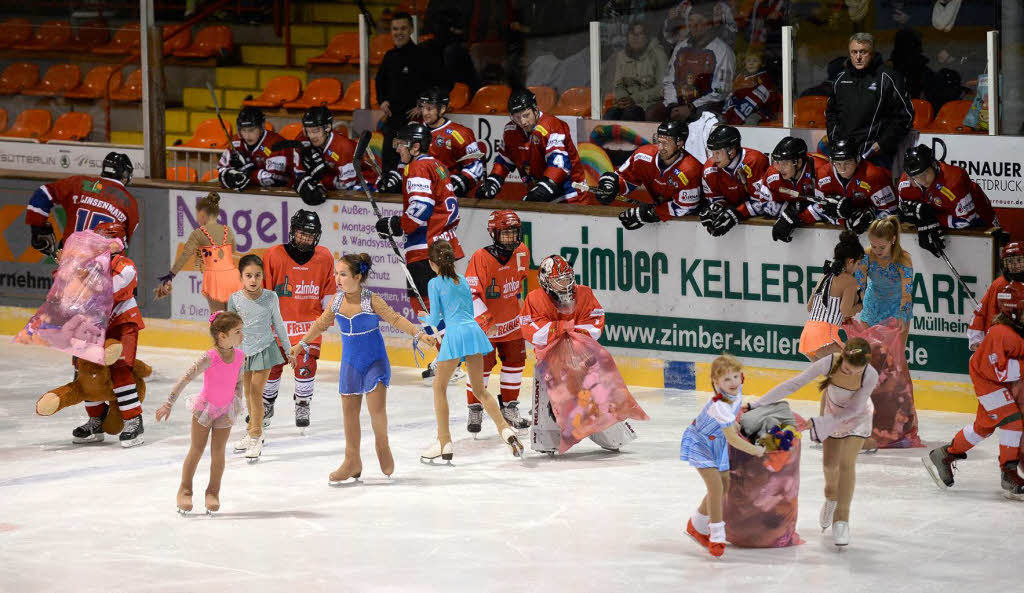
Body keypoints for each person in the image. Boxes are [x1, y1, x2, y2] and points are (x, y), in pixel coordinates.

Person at [290, 253, 436, 483]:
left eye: (344, 274)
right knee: (349, 415)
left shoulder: (371, 299)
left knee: (376, 412)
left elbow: (396, 319)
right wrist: (301, 344)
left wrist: (419, 333)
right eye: (337, 274)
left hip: (374, 362)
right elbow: (320, 324)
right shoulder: (336, 301)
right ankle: (352, 461)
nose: (338, 278)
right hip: (350, 365)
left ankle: (382, 445)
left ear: (358, 277)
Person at [747, 339, 878, 547]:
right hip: (833, 414)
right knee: (829, 466)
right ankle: (831, 498)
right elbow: (794, 383)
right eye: (847, 369)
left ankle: (842, 519)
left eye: (856, 371)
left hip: (857, 419)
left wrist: (817, 423)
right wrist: (757, 403)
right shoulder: (829, 362)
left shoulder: (870, 375)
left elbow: (853, 410)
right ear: (842, 358)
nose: (851, 373)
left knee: (846, 464)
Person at [519, 254, 639, 454]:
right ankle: (549, 436)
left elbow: (595, 327)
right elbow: (533, 333)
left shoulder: (584, 293)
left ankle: (607, 430)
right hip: (550, 364)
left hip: (583, 362)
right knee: (547, 443)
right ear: (546, 282)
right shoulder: (535, 299)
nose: (565, 285)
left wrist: (561, 329)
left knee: (613, 437)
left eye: (567, 279)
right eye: (559, 281)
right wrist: (566, 327)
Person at [419, 240, 524, 462]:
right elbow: (465, 310)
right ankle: (505, 430)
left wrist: (424, 319)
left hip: (456, 335)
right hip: (475, 333)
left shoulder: (434, 283)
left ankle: (443, 441)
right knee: (480, 390)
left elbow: (437, 318)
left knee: (439, 387)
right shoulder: (464, 282)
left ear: (431, 263)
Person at [374, 122, 464, 381]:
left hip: (426, 246)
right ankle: (451, 357)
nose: (398, 149)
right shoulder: (435, 164)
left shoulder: (419, 167)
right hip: (441, 244)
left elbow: (421, 208)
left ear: (415, 146)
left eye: (402, 144)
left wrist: (396, 225)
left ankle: (451, 359)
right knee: (437, 306)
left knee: (423, 304)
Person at [923, 280, 1024, 500]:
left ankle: (945, 455)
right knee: (1013, 422)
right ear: (1014, 309)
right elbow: (999, 372)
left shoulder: (1014, 329)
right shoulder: (1001, 334)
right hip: (988, 381)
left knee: (984, 427)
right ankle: (1008, 473)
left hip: (997, 380)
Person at [156, 311, 245, 514]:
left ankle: (213, 492)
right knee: (196, 450)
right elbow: (186, 378)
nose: (242, 335)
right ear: (222, 335)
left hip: (225, 410)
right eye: (238, 332)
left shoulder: (240, 356)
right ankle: (185, 490)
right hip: (204, 409)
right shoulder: (210, 356)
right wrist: (168, 403)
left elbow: (239, 382)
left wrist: (236, 403)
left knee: (218, 453)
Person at [70, 222, 148, 448]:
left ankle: (133, 420)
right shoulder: (89, 265)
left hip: (123, 322)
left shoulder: (125, 265)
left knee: (120, 368)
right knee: (84, 368)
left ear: (117, 243)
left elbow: (112, 289)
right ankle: (96, 418)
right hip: (94, 321)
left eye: (104, 241)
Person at [680, 354, 765, 558]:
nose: (734, 382)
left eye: (736, 376)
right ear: (716, 382)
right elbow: (734, 440)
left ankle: (696, 524)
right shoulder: (719, 405)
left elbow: (731, 421)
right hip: (700, 442)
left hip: (716, 441)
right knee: (716, 487)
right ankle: (717, 534)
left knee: (725, 485)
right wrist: (756, 450)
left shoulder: (736, 391)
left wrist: (734, 424)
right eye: (727, 379)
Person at [261, 210, 336, 431]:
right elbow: (266, 289)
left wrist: (327, 316)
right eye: (302, 233)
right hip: (278, 325)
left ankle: (303, 402)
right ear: (293, 232)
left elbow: (328, 292)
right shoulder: (273, 255)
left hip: (308, 327)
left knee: (305, 365)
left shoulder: (324, 257)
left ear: (317, 236)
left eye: (310, 235)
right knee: (271, 367)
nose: (305, 238)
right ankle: (266, 404)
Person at [464, 209, 531, 433]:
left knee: (515, 363)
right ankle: (475, 408)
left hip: (512, 323)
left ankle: (510, 407)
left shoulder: (522, 251)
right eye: (506, 233)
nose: (512, 238)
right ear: (494, 233)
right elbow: (471, 294)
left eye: (515, 232)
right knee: (480, 369)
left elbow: (519, 285)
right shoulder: (480, 257)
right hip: (485, 328)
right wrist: (485, 319)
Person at [227, 254, 294, 462]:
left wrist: (289, 349)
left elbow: (279, 324)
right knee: (248, 393)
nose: (253, 280)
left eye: (257, 275)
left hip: (265, 350)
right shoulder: (235, 299)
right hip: (244, 353)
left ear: (263, 276)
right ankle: (251, 430)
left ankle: (257, 435)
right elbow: (230, 327)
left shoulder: (270, 297)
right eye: (248, 275)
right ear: (241, 277)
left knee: (256, 393)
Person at [476, 88, 591, 204]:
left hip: (570, 194)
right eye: (516, 117)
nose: (523, 122)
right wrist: (493, 180)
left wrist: (545, 187)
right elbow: (504, 161)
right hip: (541, 193)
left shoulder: (552, 125)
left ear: (536, 109)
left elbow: (559, 163)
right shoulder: (510, 131)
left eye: (526, 115)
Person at [375, 11, 453, 173]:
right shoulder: (389, 56)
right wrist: (382, 101)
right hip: (393, 121)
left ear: (411, 30)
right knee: (389, 167)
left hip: (417, 123)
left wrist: (423, 104)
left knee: (413, 167)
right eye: (395, 29)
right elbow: (380, 82)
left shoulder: (423, 55)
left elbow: (444, 83)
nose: (399, 33)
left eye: (403, 28)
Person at [825, 32, 914, 170]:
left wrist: (883, 144)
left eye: (863, 52)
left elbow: (905, 116)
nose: (858, 57)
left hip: (876, 156)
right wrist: (835, 142)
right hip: (844, 156)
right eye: (854, 52)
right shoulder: (840, 79)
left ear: (872, 53)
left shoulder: (888, 77)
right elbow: (831, 114)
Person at [378, 86, 486, 198]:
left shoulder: (461, 134)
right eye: (422, 108)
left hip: (448, 197)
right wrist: (396, 178)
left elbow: (475, 166)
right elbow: (405, 163)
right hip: (418, 193)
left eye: (429, 109)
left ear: (442, 109)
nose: (425, 113)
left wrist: (460, 181)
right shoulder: (413, 129)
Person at [25, 152, 138, 259]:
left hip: (69, 261)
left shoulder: (79, 183)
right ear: (126, 175)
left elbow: (43, 194)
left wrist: (38, 229)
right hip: (101, 268)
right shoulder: (129, 202)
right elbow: (122, 244)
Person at [592, 120, 701, 231]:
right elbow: (626, 179)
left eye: (666, 143)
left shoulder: (690, 170)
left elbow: (684, 207)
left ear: (679, 143)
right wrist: (613, 187)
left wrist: (650, 213)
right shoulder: (643, 156)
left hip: (691, 225)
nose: (660, 147)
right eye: (659, 141)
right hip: (662, 218)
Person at [898, 144, 1000, 257]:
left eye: (926, 173)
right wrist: (922, 221)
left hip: (980, 221)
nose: (922, 180)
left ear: (934, 164)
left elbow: (966, 221)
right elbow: (904, 212)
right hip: (947, 223)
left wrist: (932, 218)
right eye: (916, 177)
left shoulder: (954, 182)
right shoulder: (905, 185)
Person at [153, 192, 240, 313]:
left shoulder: (198, 233)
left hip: (215, 277)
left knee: (218, 318)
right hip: (232, 276)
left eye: (197, 214)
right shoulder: (227, 230)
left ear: (202, 213)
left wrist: (171, 275)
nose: (197, 218)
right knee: (233, 318)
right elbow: (233, 250)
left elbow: (185, 255)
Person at [657, 4, 735, 117]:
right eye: (692, 21)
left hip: (706, 106)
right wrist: (672, 104)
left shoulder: (723, 51)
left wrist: (692, 107)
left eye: (700, 21)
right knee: (652, 113)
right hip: (677, 103)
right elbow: (669, 80)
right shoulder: (680, 47)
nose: (694, 26)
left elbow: (721, 90)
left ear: (708, 25)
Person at [293, 106, 379, 206]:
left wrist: (320, 181)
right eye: (308, 131)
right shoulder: (302, 141)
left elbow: (348, 189)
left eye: (315, 131)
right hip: (341, 186)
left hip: (367, 186)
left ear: (328, 127)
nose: (311, 136)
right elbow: (299, 175)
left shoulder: (343, 147)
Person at [799, 232, 865, 361]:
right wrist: (861, 305)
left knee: (834, 378)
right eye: (858, 263)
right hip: (824, 338)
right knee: (851, 371)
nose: (858, 268)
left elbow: (809, 307)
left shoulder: (825, 276)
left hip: (807, 336)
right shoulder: (849, 281)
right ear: (851, 261)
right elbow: (846, 311)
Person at [815, 137, 899, 235]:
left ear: (857, 159)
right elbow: (819, 207)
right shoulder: (823, 175)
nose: (843, 168)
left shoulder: (874, 176)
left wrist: (871, 218)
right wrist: (844, 222)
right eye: (837, 163)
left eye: (847, 162)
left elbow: (891, 212)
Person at [698, 124, 770, 237]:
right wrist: (716, 208)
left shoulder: (755, 162)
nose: (714, 157)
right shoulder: (709, 169)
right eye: (712, 152)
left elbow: (763, 202)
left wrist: (737, 213)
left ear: (731, 151)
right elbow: (716, 198)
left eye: (718, 152)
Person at [759, 136, 832, 243]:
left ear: (798, 163)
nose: (779, 168)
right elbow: (765, 203)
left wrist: (799, 216)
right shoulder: (772, 174)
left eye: (785, 163)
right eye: (777, 162)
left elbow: (829, 206)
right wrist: (787, 213)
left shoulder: (821, 170)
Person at [854, 216, 914, 344]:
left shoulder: (904, 258)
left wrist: (902, 315)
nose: (877, 251)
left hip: (898, 306)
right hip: (873, 305)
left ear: (893, 240)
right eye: (873, 246)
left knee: (896, 356)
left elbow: (907, 292)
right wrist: (855, 305)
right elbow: (859, 286)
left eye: (882, 247)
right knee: (873, 354)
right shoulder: (866, 256)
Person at [216, 107, 294, 191]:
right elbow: (221, 168)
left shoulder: (277, 144)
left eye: (251, 130)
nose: (247, 136)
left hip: (280, 195)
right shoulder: (235, 142)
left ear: (262, 126)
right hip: (249, 194)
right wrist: (230, 174)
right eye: (243, 130)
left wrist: (248, 173)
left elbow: (276, 180)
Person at [605, 22, 667, 122]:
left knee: (630, 114)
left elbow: (662, 87)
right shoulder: (621, 55)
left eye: (639, 34)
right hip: (625, 104)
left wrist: (634, 99)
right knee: (610, 115)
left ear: (647, 37)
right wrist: (623, 99)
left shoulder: (658, 54)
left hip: (647, 104)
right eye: (632, 34)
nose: (635, 37)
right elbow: (618, 85)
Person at [968, 241, 1024, 351]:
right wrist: (976, 339)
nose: (1015, 265)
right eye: (1010, 261)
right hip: (999, 344)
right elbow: (981, 312)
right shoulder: (999, 284)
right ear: (1004, 264)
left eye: (1019, 260)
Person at [721, 50, 781, 125]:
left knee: (751, 120)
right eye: (748, 60)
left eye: (755, 61)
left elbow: (761, 99)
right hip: (740, 109)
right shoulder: (739, 77)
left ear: (761, 64)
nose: (751, 63)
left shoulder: (764, 78)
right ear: (744, 63)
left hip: (762, 111)